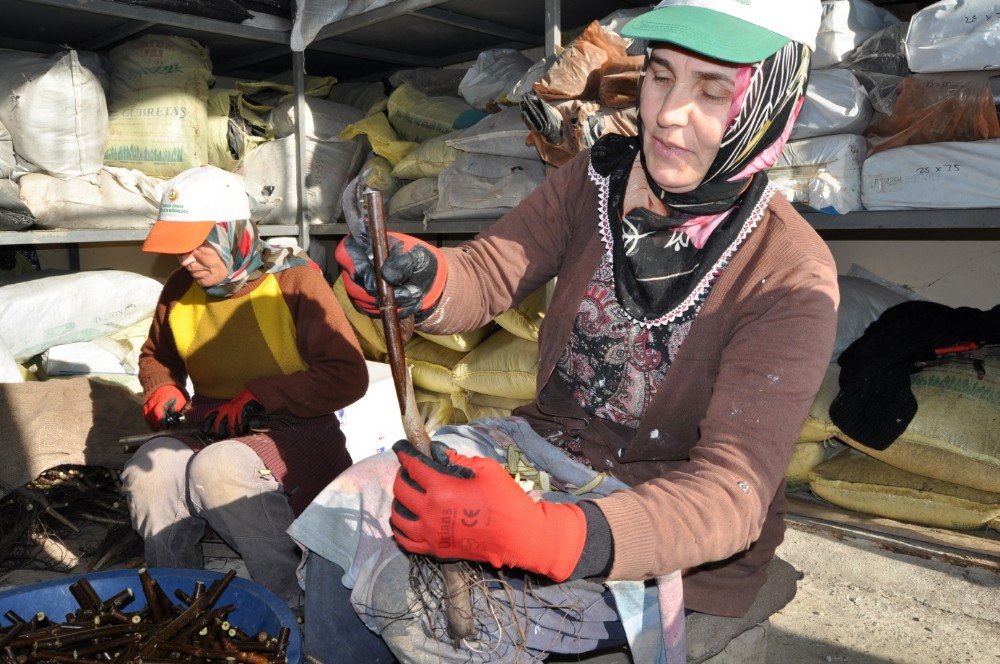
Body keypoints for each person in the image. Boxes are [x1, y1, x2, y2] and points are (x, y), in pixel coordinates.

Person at [317, 0, 837, 659]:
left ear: (774, 102)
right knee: (350, 515)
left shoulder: (790, 274)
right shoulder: (597, 180)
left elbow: (728, 497)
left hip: (658, 526)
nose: (668, 113)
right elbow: (489, 270)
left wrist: (546, 537)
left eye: (712, 90)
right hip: (539, 454)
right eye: (660, 76)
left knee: (444, 629)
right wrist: (426, 277)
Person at [122, 165, 368, 606]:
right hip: (214, 423)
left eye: (196, 248)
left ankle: (290, 600)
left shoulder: (295, 280)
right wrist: (162, 388)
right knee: (151, 470)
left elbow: (347, 375)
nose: (184, 262)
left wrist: (264, 395)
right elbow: (156, 357)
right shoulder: (180, 289)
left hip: (294, 429)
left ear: (231, 233)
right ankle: (180, 605)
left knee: (219, 470)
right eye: (178, 250)